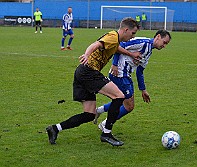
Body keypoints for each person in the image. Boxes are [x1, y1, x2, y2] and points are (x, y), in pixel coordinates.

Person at [46, 17, 141, 146]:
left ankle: (55, 128)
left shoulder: (114, 40)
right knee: (119, 96)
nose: (132, 36)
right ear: (125, 29)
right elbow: (96, 45)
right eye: (133, 33)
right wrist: (86, 54)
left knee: (89, 114)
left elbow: (116, 48)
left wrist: (131, 54)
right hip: (89, 72)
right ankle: (106, 133)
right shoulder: (113, 36)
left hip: (82, 73)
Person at [93, 30, 171, 132]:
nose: (164, 46)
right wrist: (115, 64)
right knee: (129, 106)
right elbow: (119, 45)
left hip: (126, 75)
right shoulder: (142, 42)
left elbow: (140, 71)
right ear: (158, 37)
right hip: (119, 74)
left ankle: (99, 111)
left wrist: (143, 90)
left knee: (121, 101)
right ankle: (105, 124)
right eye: (164, 42)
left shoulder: (148, 51)